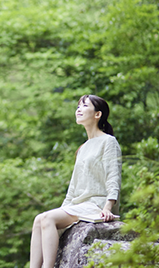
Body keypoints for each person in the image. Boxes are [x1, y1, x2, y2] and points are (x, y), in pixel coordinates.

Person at [29, 94, 122, 268]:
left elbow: (113, 176)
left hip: (96, 205)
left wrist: (108, 207)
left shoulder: (109, 142)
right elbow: (73, 187)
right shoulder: (83, 148)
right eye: (78, 106)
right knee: (39, 219)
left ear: (97, 114)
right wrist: (63, 208)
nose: (78, 109)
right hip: (79, 205)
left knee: (47, 218)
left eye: (84, 106)